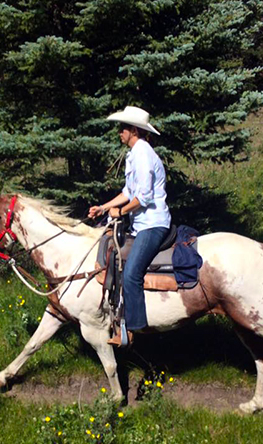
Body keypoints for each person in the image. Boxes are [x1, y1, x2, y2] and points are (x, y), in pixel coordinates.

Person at [89, 106, 171, 346]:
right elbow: (128, 192)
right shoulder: (135, 154)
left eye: (122, 129)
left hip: (153, 225)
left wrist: (121, 212)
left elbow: (143, 197)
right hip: (141, 225)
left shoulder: (144, 155)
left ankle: (132, 330)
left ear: (134, 130)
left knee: (132, 273)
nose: (119, 133)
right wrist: (104, 208)